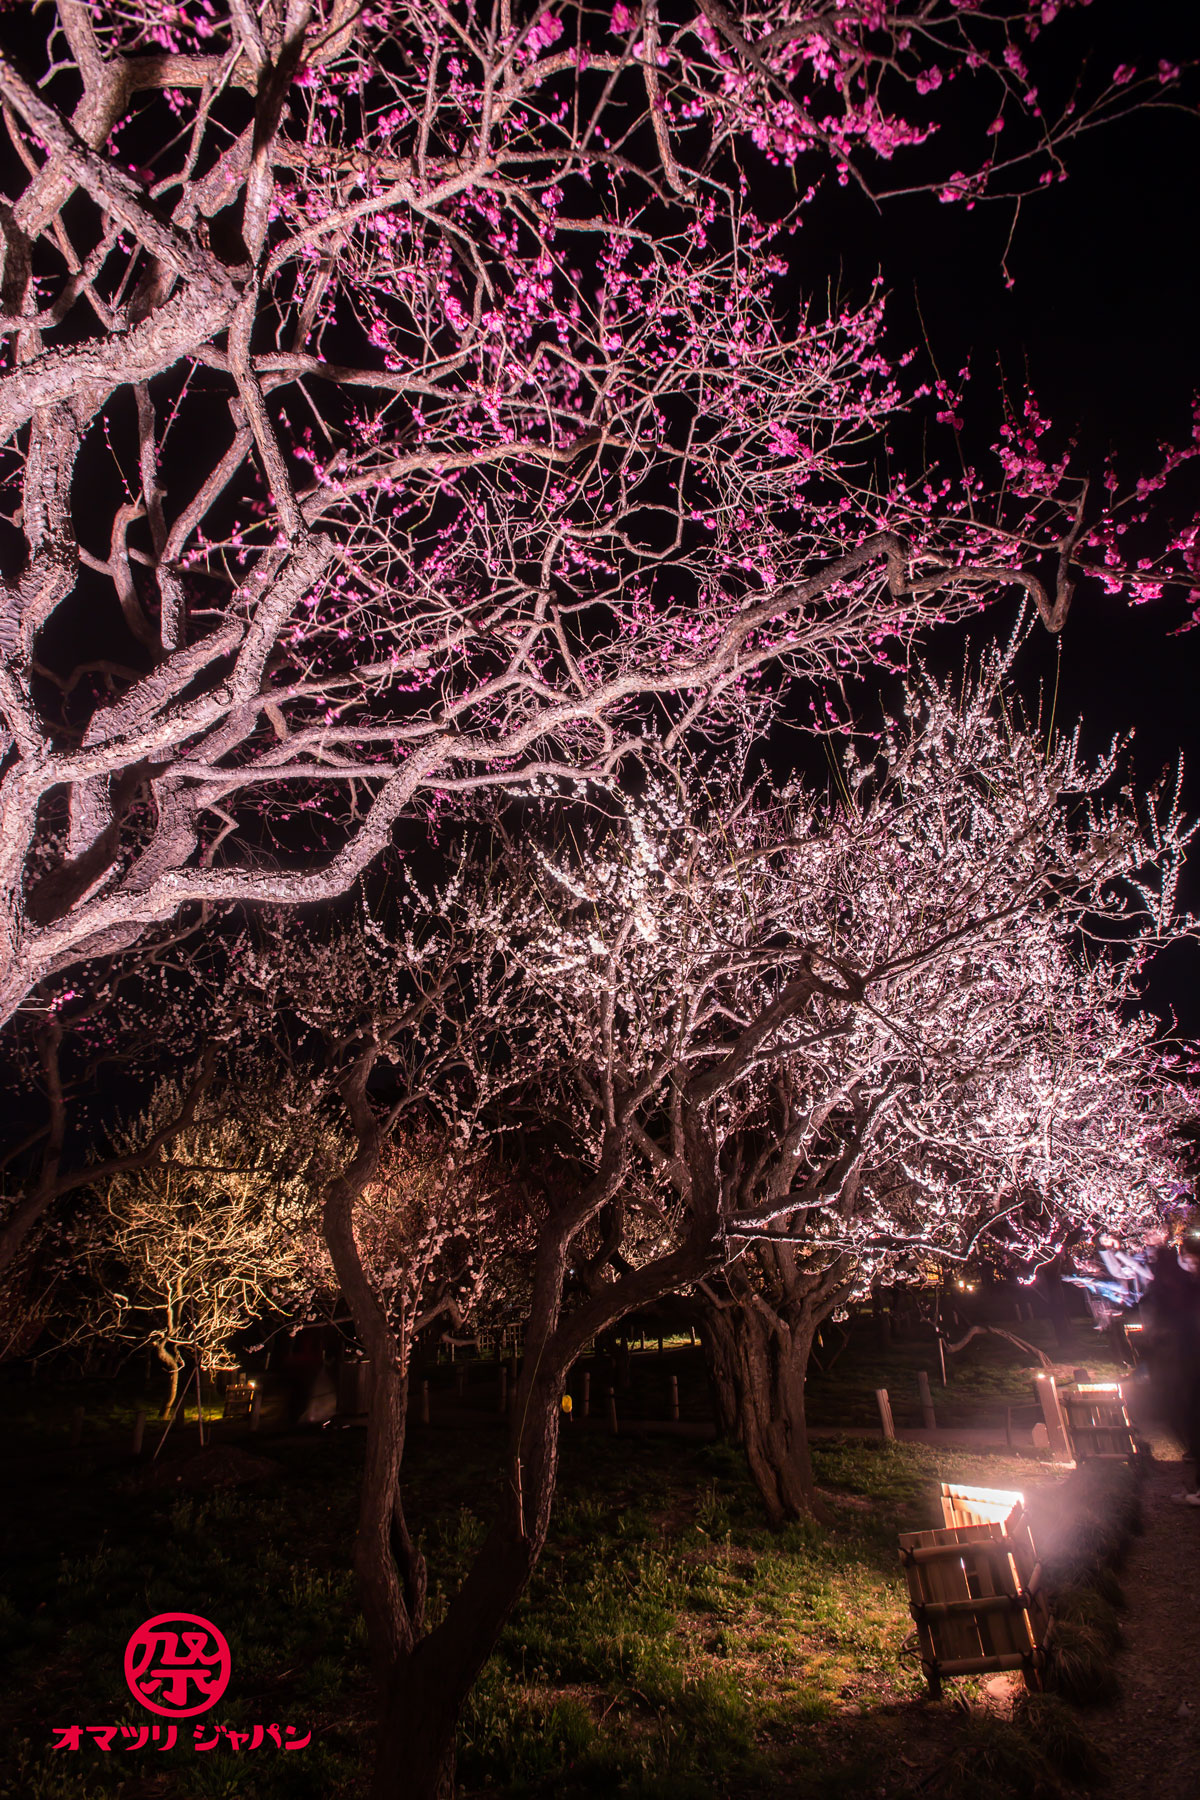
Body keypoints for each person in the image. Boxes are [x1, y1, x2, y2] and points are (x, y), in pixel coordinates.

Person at [1141, 1213, 1200, 1503]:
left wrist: (1161, 1251)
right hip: (1186, 1360)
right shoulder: (1190, 1285)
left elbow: (1176, 1292)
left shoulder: (1189, 1290)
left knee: (1190, 1416)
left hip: (1190, 1362)